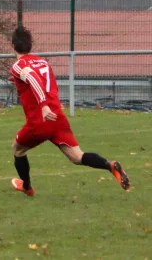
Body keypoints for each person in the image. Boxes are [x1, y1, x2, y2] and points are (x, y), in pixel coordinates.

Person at [8, 25, 130, 196]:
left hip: (40, 120)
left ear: (13, 45)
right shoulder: (43, 62)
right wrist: (19, 82)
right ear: (31, 45)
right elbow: (39, 80)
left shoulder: (18, 65)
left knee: (18, 149)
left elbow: (33, 78)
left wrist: (43, 106)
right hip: (58, 118)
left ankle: (27, 187)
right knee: (77, 157)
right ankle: (109, 165)